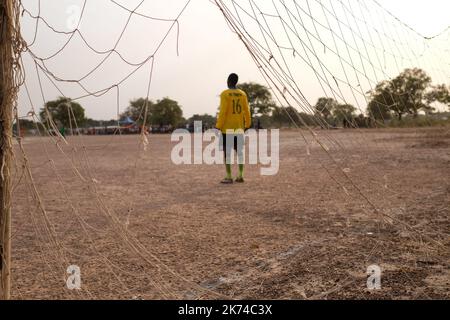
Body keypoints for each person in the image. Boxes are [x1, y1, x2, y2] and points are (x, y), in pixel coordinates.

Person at [216, 73, 251, 184]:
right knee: (239, 152)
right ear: (236, 82)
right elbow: (246, 110)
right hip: (239, 127)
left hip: (227, 128)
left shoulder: (225, 94)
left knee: (227, 153)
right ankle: (240, 175)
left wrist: (218, 125)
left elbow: (223, 111)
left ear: (228, 81)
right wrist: (248, 124)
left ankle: (229, 176)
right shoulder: (242, 94)